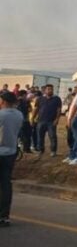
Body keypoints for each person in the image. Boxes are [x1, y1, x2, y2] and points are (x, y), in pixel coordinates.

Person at [0, 92, 23, 227]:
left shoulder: (2, 114)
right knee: (5, 184)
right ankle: (4, 216)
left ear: (3, 101)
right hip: (11, 152)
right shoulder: (19, 114)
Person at [36, 84, 62, 157]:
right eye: (48, 89)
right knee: (40, 136)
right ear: (45, 90)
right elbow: (36, 109)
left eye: (51, 89)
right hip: (40, 121)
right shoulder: (40, 98)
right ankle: (41, 150)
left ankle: (53, 151)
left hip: (51, 121)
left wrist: (57, 119)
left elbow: (58, 110)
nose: (50, 90)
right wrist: (32, 118)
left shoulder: (57, 99)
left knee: (52, 136)